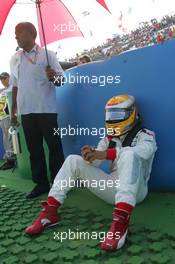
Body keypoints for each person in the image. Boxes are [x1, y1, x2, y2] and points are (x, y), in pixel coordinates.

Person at [25, 95, 157, 251]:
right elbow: (96, 160)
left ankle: (120, 224)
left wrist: (104, 154)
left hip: (136, 192)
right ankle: (50, 212)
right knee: (73, 160)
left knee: (128, 154)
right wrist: (90, 155)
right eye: (110, 115)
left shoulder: (146, 135)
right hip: (113, 190)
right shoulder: (109, 138)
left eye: (118, 115)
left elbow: (143, 152)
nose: (113, 119)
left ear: (132, 113)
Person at [10, 22, 65, 199]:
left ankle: (58, 184)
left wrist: (53, 76)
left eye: (19, 32)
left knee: (54, 147)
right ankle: (41, 184)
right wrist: (13, 111)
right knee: (34, 150)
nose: (16, 36)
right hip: (26, 112)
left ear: (30, 34)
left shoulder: (48, 55)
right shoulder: (15, 58)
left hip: (47, 110)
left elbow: (61, 81)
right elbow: (15, 86)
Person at [0, 72, 16, 170]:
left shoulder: (13, 88)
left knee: (10, 138)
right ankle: (9, 159)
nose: (2, 80)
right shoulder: (2, 91)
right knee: (6, 139)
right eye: (1, 79)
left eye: (4, 78)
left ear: (9, 78)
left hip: (9, 117)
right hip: (2, 118)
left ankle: (12, 160)